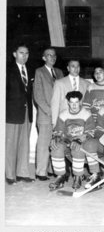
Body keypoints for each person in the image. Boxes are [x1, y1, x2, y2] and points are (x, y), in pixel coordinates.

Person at [49, 91, 96, 191]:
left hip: (81, 142)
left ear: (80, 102)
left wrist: (79, 139)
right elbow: (58, 130)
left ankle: (78, 177)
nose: (74, 105)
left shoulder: (86, 114)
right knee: (56, 147)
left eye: (76, 102)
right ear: (68, 103)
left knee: (77, 148)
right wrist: (56, 136)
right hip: (67, 141)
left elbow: (91, 132)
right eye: (72, 102)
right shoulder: (63, 115)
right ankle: (60, 176)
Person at [33, 47, 64, 181]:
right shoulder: (39, 71)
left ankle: (52, 169)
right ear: (44, 58)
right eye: (49, 55)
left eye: (54, 55)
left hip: (59, 115)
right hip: (46, 115)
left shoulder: (59, 72)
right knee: (44, 143)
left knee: (55, 142)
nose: (52, 57)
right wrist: (50, 111)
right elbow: (38, 95)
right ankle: (41, 172)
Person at [5, 44, 35, 184]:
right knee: (10, 145)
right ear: (14, 54)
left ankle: (22, 172)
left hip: (26, 112)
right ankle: (9, 175)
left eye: (27, 53)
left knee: (24, 144)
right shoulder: (7, 70)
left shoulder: (29, 69)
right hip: (11, 113)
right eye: (21, 53)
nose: (25, 56)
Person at [51, 59, 90, 127]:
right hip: (65, 120)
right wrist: (54, 122)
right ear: (68, 68)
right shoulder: (59, 83)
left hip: (82, 120)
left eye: (78, 66)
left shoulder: (87, 84)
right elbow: (55, 104)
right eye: (73, 66)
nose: (76, 69)